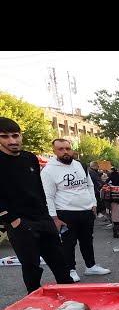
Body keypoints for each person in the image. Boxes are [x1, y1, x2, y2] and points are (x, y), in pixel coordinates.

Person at [0, 118, 74, 292]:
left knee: (61, 263)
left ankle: (73, 300)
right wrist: (12, 220)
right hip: (20, 222)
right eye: (5, 137)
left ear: (21, 136)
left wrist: (49, 215)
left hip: (42, 218)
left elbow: (39, 189)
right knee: (32, 268)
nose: (12, 141)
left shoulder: (30, 158)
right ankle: (34, 307)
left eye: (15, 135)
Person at [41, 139, 111, 282]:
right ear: (54, 151)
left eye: (67, 148)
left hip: (86, 211)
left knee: (87, 240)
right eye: (60, 149)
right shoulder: (49, 170)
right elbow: (48, 196)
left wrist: (93, 203)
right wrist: (54, 218)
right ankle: (70, 269)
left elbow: (89, 185)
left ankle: (90, 266)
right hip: (65, 212)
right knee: (68, 243)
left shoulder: (79, 165)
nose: (65, 151)